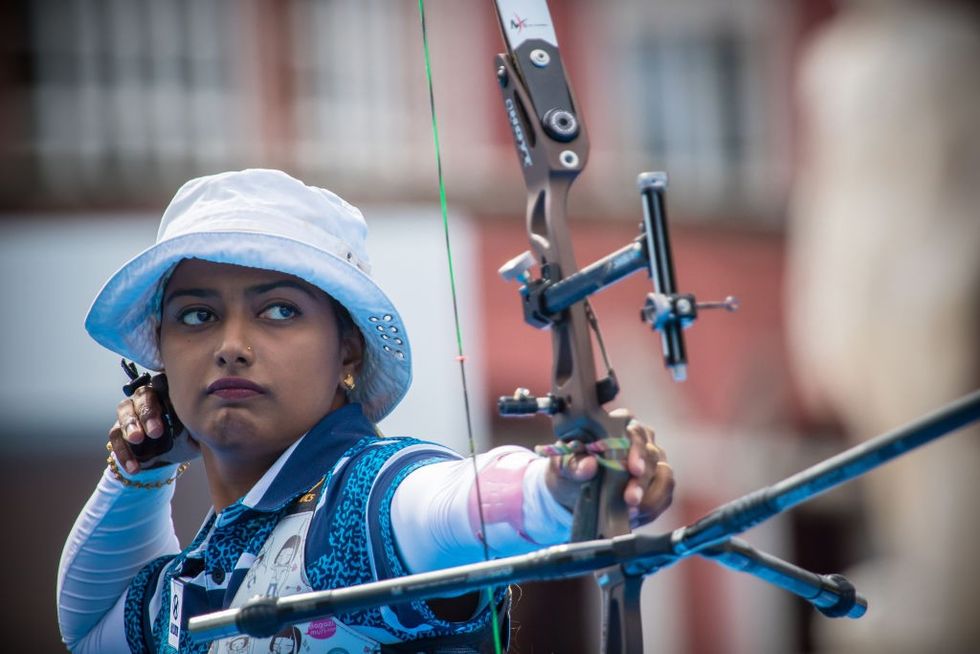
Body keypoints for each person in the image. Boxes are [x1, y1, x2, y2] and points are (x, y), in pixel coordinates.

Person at [56, 169, 674, 653]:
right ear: (162, 356)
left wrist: (563, 485)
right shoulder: (199, 573)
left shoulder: (358, 500)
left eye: (278, 311)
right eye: (197, 316)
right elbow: (89, 631)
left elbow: (449, 505)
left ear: (346, 347)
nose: (231, 346)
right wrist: (140, 470)